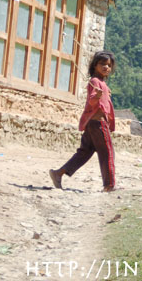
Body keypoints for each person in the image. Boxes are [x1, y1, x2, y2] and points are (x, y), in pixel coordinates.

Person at [49, 50, 116, 192]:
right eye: (103, 64)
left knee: (85, 152)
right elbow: (92, 101)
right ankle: (109, 185)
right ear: (95, 65)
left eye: (109, 65)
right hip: (98, 123)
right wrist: (97, 96)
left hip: (92, 124)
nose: (106, 67)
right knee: (107, 152)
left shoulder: (101, 83)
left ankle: (58, 173)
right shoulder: (95, 82)